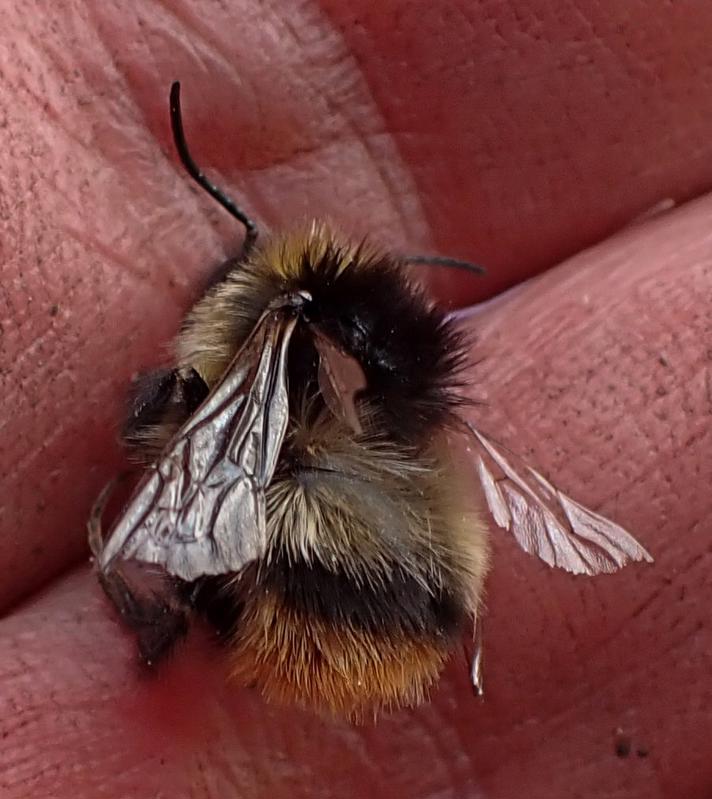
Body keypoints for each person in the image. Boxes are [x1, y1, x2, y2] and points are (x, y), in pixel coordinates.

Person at [2, 3, 711, 796]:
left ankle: (181, 622)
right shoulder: (385, 376)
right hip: (419, 604)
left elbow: (168, 440)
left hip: (330, 593)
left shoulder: (270, 348)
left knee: (218, 483)